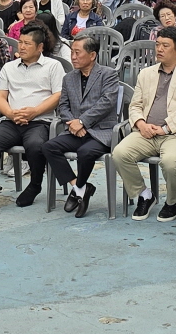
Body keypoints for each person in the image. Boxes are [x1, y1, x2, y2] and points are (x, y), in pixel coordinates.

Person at [114, 27, 176, 223]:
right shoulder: (146, 73)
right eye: (158, 44)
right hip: (146, 132)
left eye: (165, 46)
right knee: (120, 153)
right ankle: (144, 195)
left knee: (171, 163)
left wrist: (165, 127)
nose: (159, 49)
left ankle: (173, 200)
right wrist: (140, 123)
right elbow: (136, 104)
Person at [0, 24, 65, 217]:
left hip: (40, 121)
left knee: (35, 144)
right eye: (20, 42)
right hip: (12, 120)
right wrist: (12, 114)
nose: (21, 47)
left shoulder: (53, 66)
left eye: (27, 44)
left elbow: (58, 95)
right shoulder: (9, 67)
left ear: (39, 47)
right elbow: (0, 97)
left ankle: (35, 185)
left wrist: (35, 111)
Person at [46, 34, 125, 218]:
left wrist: (82, 122)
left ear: (92, 55)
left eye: (77, 52)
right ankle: (80, 188)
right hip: (75, 131)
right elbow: (63, 106)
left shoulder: (108, 74)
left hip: (101, 131)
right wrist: (74, 123)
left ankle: (78, 189)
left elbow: (106, 103)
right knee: (49, 147)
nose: (73, 57)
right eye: (72, 52)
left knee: (86, 153)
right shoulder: (68, 78)